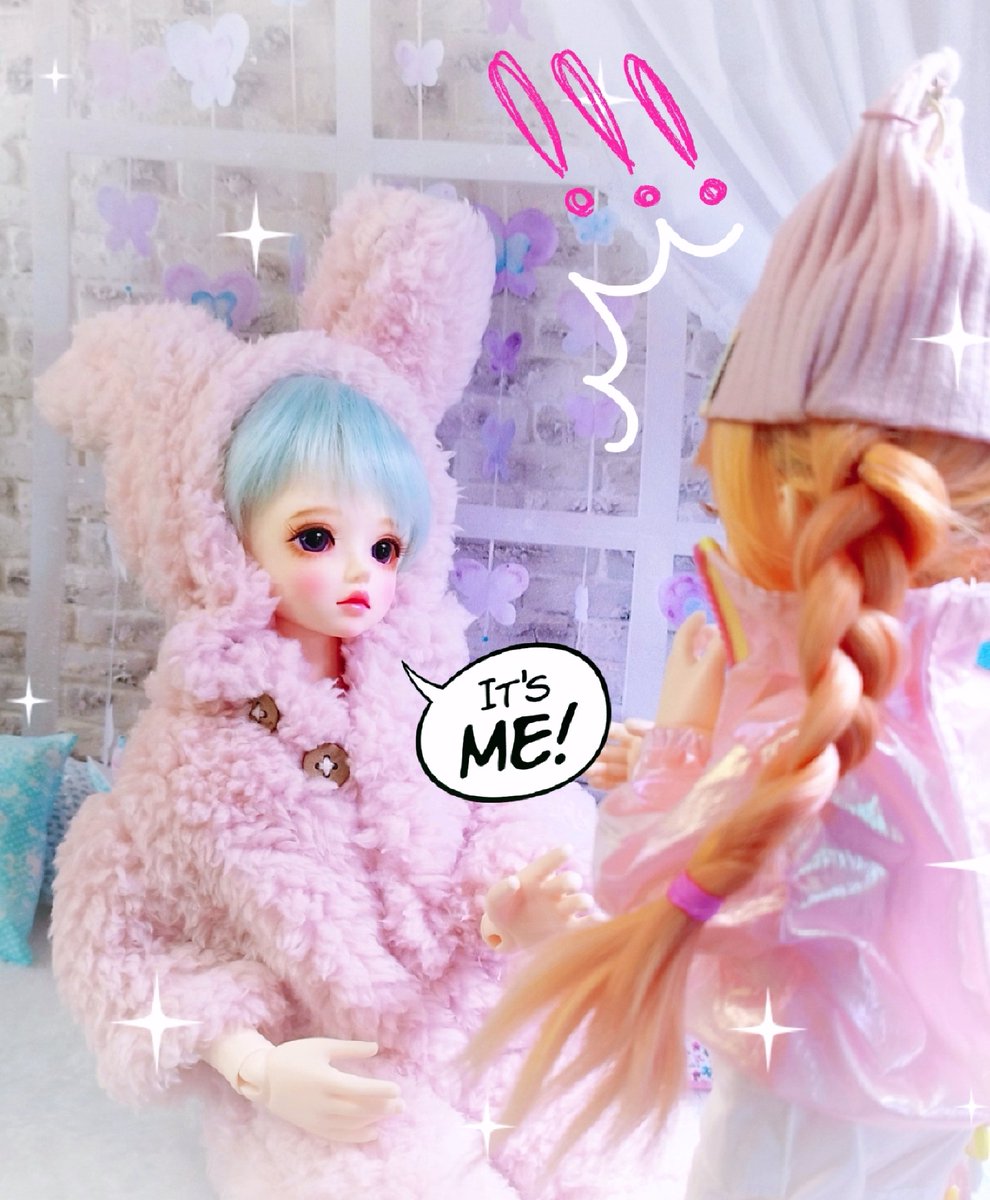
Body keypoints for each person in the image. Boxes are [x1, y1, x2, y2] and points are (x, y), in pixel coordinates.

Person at [37, 185, 686, 1198]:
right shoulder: (186, 761)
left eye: (384, 546)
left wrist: (516, 901)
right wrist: (250, 1063)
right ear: (220, 537)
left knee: (624, 1148)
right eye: (314, 537)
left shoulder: (430, 688)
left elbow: (517, 799)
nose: (360, 575)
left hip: (482, 1015)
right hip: (332, 1076)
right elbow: (116, 941)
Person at [467, 48, 990, 1200]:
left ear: (769, 474)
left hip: (805, 1123)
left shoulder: (807, 709)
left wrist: (683, 738)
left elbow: (663, 894)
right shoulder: (952, 694)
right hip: (932, 1106)